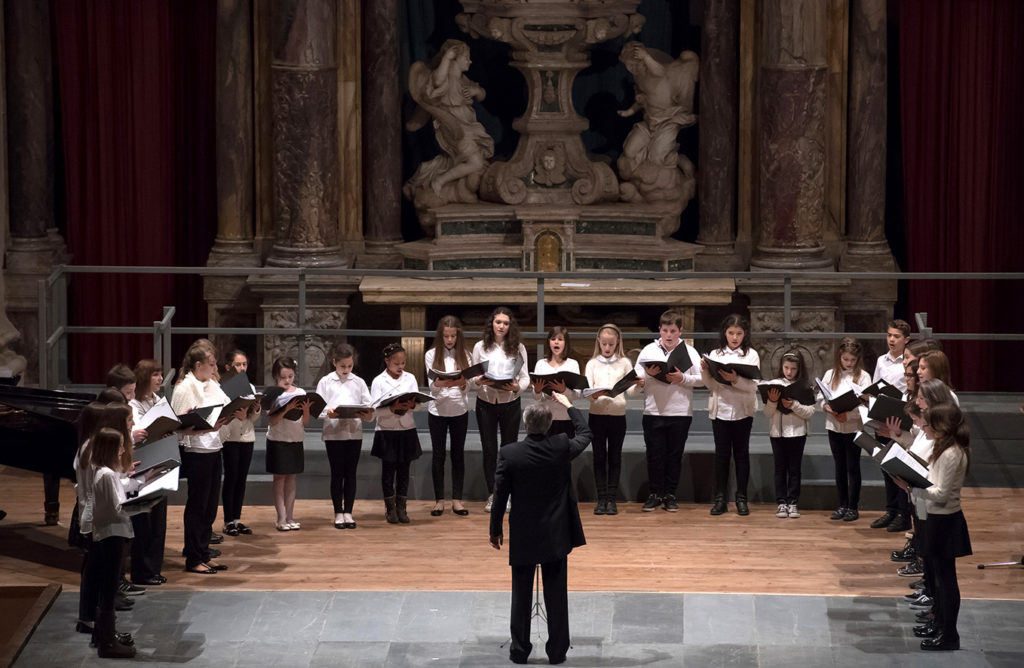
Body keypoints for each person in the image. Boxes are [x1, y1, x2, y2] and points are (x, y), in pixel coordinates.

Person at [489, 393, 592, 665]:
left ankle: (519, 651)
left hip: (524, 533)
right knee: (556, 595)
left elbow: (500, 496)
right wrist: (569, 405)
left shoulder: (510, 453)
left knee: (520, 595)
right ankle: (557, 652)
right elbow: (585, 432)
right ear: (548, 426)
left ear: (525, 425)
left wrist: (495, 529)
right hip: (556, 533)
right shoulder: (560, 447)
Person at [893, 402, 971, 651]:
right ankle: (939, 623)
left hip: (945, 521)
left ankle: (949, 635)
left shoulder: (952, 453)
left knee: (946, 580)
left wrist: (911, 487)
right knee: (936, 578)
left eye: (928, 425)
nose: (923, 429)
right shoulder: (942, 448)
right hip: (933, 517)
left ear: (941, 427)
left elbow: (941, 493)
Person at [88, 427, 158, 658]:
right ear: (109, 449)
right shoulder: (106, 475)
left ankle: (105, 633)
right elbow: (115, 507)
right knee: (108, 587)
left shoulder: (107, 471)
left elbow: (121, 491)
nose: (122, 450)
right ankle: (107, 642)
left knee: (108, 585)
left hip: (113, 532)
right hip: (111, 535)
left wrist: (142, 481)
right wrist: (142, 505)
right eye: (119, 446)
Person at [171, 339, 235, 575]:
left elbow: (223, 408)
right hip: (196, 452)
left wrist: (231, 413)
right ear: (198, 365)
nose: (214, 368)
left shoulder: (211, 384)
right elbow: (180, 423)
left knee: (209, 507)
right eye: (211, 364)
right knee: (197, 506)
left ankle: (204, 553)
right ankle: (193, 557)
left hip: (213, 449)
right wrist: (205, 425)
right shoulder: (185, 387)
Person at [635, 309, 702, 513]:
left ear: (680, 331)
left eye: (673, 330)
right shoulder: (648, 350)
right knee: (654, 455)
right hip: (654, 411)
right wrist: (646, 377)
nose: (669, 335)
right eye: (665, 330)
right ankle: (655, 493)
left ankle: (670, 494)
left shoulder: (689, 352)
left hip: (680, 412)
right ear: (660, 330)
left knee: (674, 455)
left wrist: (683, 378)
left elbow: (702, 380)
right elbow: (637, 377)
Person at [472, 307, 530, 513]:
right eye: (498, 322)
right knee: (489, 449)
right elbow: (472, 376)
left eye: (506, 323)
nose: (502, 326)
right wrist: (478, 380)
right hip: (486, 401)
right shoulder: (480, 347)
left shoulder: (518, 347)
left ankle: (507, 493)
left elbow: (525, 378)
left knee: (509, 449)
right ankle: (493, 494)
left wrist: (517, 388)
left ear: (510, 326)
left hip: (509, 402)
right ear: (492, 324)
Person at [701, 314, 760, 516]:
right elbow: (711, 385)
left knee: (742, 455)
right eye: (731, 333)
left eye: (739, 333)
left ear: (745, 334)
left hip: (743, 412)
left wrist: (735, 380)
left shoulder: (751, 355)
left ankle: (741, 498)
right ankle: (720, 499)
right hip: (721, 411)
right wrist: (705, 372)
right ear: (724, 333)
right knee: (722, 456)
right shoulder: (716, 354)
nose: (734, 337)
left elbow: (753, 387)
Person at [316, 343, 373, 528]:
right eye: (343, 367)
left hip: (354, 433)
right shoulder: (325, 381)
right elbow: (317, 408)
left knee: (351, 474)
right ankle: (337, 512)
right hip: (334, 433)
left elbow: (369, 406)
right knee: (337, 473)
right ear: (334, 363)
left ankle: (348, 511)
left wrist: (366, 414)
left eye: (349, 366)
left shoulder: (359, 382)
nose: (346, 370)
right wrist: (328, 412)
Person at [584, 324, 639, 515]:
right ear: (599, 342)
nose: (607, 348)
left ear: (617, 344)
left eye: (611, 345)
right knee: (599, 456)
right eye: (604, 344)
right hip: (597, 415)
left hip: (617, 416)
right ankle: (601, 499)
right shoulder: (592, 364)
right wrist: (594, 394)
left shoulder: (624, 363)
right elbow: (586, 389)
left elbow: (631, 392)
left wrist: (638, 384)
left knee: (614, 457)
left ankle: (611, 499)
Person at [817, 336, 871, 522]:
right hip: (834, 426)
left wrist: (847, 415)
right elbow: (820, 397)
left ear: (858, 359)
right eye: (845, 359)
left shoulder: (864, 377)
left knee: (852, 467)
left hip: (853, 427)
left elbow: (866, 405)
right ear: (839, 357)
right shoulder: (831, 374)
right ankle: (842, 504)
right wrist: (827, 408)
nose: (848, 363)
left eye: (852, 360)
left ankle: (853, 507)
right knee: (839, 467)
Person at [369, 343, 423, 524]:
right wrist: (392, 408)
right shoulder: (378, 381)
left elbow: (419, 403)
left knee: (404, 471)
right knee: (388, 471)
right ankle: (390, 508)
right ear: (387, 361)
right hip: (387, 430)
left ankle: (402, 507)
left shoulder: (410, 378)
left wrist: (412, 405)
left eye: (403, 363)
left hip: (406, 428)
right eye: (396, 363)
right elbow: (374, 410)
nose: (400, 367)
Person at [126, 359, 169, 586]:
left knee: (158, 521)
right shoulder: (132, 404)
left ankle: (153, 568)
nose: (160, 379)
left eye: (161, 374)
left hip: (158, 462)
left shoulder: (157, 400)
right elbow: (135, 432)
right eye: (155, 375)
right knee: (142, 521)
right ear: (144, 378)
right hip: (140, 465)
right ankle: (141, 571)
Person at [425, 317, 472, 517]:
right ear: (440, 335)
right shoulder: (431, 354)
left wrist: (461, 384)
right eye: (446, 336)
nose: (450, 340)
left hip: (459, 410)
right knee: (438, 455)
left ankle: (457, 500)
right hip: (437, 410)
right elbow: (431, 385)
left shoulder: (466, 355)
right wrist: (445, 384)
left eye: (453, 336)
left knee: (457, 454)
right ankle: (439, 501)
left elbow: (469, 385)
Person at [870, 320, 913, 532]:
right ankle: (891, 510)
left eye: (896, 336)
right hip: (883, 421)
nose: (891, 339)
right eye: (889, 335)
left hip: (901, 423)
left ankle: (904, 515)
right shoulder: (881, 360)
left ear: (906, 340)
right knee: (886, 467)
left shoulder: (908, 363)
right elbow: (875, 388)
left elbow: (911, 392)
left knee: (901, 470)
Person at [763, 351, 815, 519]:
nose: (789, 372)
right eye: (786, 368)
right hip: (777, 434)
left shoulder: (804, 386)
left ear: (799, 369)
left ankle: (793, 502)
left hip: (798, 433)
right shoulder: (775, 383)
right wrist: (772, 401)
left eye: (793, 368)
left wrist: (794, 405)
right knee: (780, 468)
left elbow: (810, 412)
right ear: (781, 367)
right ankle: (781, 503)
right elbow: (768, 413)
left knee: (794, 469)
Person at [266, 356, 312, 532]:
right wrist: (286, 409)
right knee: (279, 479)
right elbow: (272, 421)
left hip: (295, 439)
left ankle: (291, 516)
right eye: (283, 377)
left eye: (290, 376)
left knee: (292, 478)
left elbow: (305, 421)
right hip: (278, 440)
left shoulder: (300, 393)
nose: (287, 380)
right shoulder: (273, 393)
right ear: (276, 376)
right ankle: (281, 518)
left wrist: (306, 410)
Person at [218, 350, 261, 537]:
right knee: (231, 477)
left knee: (241, 479)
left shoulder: (250, 386)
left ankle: (237, 518)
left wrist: (256, 409)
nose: (242, 368)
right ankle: (228, 521)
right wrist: (236, 414)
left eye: (244, 364)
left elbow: (254, 416)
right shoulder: (222, 387)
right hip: (231, 437)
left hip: (247, 437)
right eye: (238, 364)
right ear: (228, 367)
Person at [532, 326, 580, 437]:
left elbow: (578, 395)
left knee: (565, 452)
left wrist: (564, 390)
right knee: (545, 452)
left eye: (560, 339)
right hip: (545, 418)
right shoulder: (541, 364)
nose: (556, 342)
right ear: (548, 342)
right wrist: (538, 391)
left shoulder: (573, 364)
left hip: (566, 417)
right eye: (553, 339)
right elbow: (536, 398)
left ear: (565, 343)